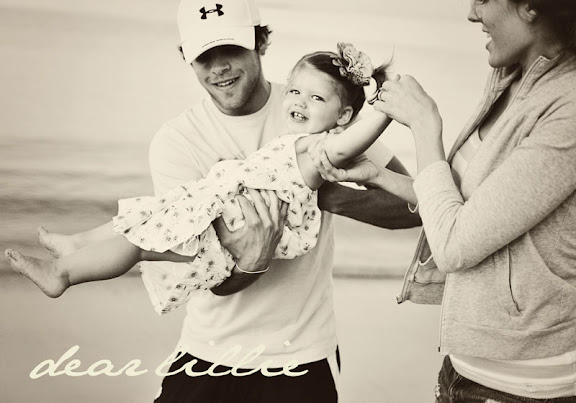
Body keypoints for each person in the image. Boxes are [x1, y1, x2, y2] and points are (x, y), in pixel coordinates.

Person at [5, 43, 394, 317]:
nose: (298, 102)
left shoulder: (322, 148)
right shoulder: (190, 136)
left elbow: (356, 144)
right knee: (151, 212)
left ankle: (62, 274)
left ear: (343, 117)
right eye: (294, 91)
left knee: (140, 244)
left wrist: (386, 110)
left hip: (231, 226)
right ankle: (76, 244)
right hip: (220, 211)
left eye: (316, 99)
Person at [310, 0, 576, 401]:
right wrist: (378, 177)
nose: (472, 13)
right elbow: (461, 204)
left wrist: (424, 125)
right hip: (462, 369)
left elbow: (453, 246)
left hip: (524, 385)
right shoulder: (508, 76)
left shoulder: (568, 108)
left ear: (531, 6)